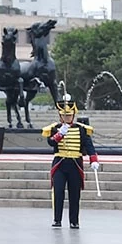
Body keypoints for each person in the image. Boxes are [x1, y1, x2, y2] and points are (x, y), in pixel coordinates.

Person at [42, 98, 97, 228]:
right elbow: (51, 143)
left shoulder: (81, 129)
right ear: (60, 116)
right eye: (64, 115)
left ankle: (74, 221)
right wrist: (59, 134)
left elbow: (89, 145)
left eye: (69, 115)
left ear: (73, 115)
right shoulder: (55, 128)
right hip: (60, 163)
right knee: (58, 191)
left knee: (74, 193)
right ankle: (57, 219)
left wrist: (93, 159)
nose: (67, 117)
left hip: (75, 163)